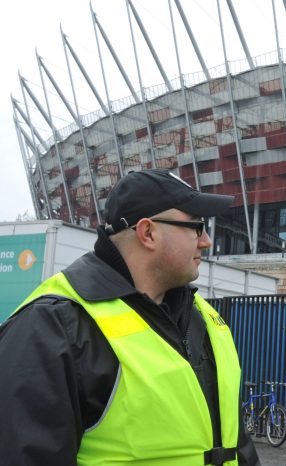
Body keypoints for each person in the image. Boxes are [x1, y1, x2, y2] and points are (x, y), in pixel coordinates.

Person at [0, 169, 260, 465]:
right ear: (148, 233)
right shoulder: (54, 326)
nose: (207, 241)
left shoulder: (205, 316)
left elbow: (236, 444)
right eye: (197, 227)